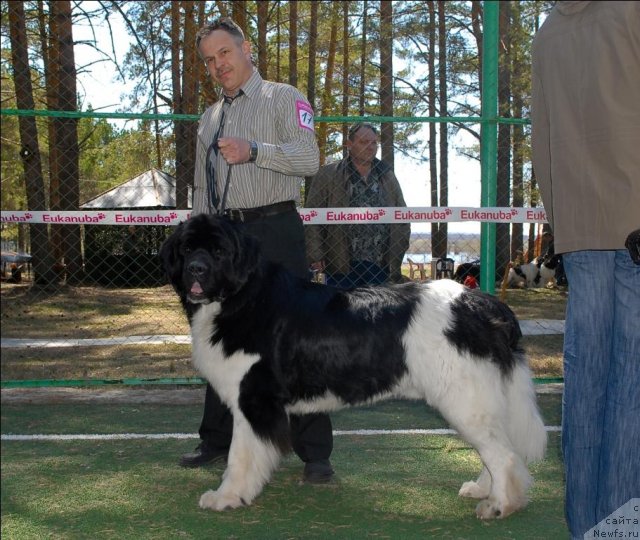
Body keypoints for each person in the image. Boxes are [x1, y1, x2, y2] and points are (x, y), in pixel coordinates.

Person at [185, 17, 334, 484]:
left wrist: (254, 150)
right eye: (210, 60)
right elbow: (201, 189)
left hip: (275, 229)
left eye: (224, 53)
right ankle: (215, 440)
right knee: (219, 335)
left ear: (246, 48)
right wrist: (198, 239)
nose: (218, 66)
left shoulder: (284, 97)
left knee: (294, 340)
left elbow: (310, 159)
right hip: (225, 241)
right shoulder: (208, 119)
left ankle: (315, 453)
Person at [531, 2, 640, 537]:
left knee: (587, 380)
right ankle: (623, 529)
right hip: (636, 223)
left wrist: (563, 223)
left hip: (580, 227)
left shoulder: (549, 30)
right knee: (632, 385)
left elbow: (541, 142)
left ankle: (586, 526)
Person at [305, 123, 410, 288]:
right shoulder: (329, 174)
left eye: (374, 142)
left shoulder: (387, 175)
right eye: (364, 142)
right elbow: (312, 217)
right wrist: (316, 256)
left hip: (380, 267)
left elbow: (403, 218)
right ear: (349, 144)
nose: (370, 147)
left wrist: (396, 257)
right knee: (341, 312)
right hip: (340, 266)